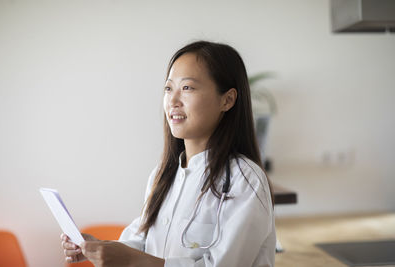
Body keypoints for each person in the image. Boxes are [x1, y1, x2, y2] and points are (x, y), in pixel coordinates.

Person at [61, 40, 276, 267]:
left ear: (227, 99)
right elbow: (142, 243)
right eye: (168, 88)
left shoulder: (245, 180)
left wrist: (135, 261)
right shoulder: (162, 175)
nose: (173, 101)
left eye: (187, 88)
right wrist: (100, 248)